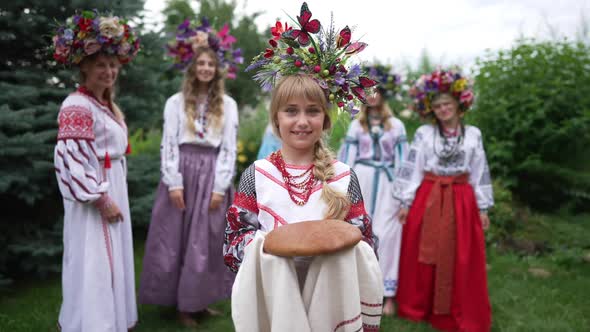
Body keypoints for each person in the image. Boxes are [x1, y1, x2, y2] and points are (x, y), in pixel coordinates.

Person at [225, 3, 384, 331]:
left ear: (325, 119)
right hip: (275, 302)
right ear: (276, 119)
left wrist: (335, 245)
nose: (301, 121)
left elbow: (366, 243)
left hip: (331, 301)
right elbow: (233, 243)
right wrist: (269, 246)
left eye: (312, 111)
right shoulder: (257, 175)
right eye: (291, 111)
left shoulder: (343, 177)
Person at [138, 18, 242, 327]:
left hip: (211, 175)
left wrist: (221, 186)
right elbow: (169, 143)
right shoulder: (176, 102)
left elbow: (229, 147)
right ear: (192, 67)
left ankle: (202, 299)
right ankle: (181, 304)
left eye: (211, 63)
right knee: (177, 240)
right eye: (201, 63)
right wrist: (173, 182)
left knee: (207, 242)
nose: (206, 68)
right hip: (182, 172)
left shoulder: (228, 104)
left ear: (217, 68)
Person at [52, 11, 140, 331]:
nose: (109, 71)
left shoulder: (104, 106)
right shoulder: (77, 105)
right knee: (95, 261)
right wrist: (100, 198)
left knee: (111, 260)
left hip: (112, 184)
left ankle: (113, 320)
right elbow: (70, 160)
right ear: (84, 66)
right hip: (97, 196)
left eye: (112, 65)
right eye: (101, 64)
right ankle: (94, 323)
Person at [393, 69, 494, 331]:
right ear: (430, 109)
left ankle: (455, 307)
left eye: (447, 103)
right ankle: (420, 307)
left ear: (459, 104)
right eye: (437, 105)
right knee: (425, 251)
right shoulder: (425, 134)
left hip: (461, 199)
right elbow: (413, 166)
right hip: (430, 195)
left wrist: (482, 207)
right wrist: (405, 202)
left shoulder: (473, 134)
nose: (443, 109)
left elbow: (479, 169)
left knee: (460, 254)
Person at [338, 81, 408, 316]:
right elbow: (347, 158)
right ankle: (359, 291)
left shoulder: (396, 125)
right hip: (363, 181)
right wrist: (343, 191)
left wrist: (404, 197)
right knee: (359, 232)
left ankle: (388, 295)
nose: (372, 95)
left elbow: (403, 161)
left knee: (388, 234)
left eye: (376, 90)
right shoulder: (356, 125)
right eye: (367, 91)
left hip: (389, 185)